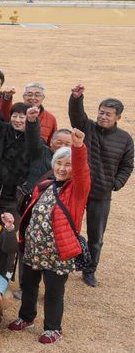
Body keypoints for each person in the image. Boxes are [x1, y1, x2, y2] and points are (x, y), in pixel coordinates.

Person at [9, 129, 88, 344]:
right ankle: (26, 317)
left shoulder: (77, 191)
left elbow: (82, 172)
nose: (62, 169)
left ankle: (53, 328)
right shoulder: (44, 185)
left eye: (67, 165)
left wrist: (79, 148)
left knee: (53, 291)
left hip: (57, 252)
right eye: (59, 163)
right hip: (34, 248)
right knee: (29, 285)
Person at [68, 85, 133, 287]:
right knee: (67, 229)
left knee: (96, 237)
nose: (103, 116)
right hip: (78, 191)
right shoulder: (86, 127)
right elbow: (76, 114)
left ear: (118, 117)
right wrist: (76, 98)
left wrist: (116, 183)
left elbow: (127, 165)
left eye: (108, 114)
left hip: (101, 194)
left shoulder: (125, 139)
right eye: (101, 112)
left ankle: (89, 270)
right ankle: (62, 264)